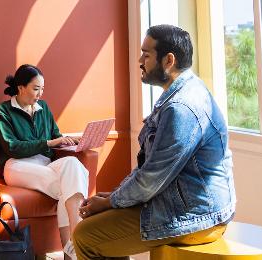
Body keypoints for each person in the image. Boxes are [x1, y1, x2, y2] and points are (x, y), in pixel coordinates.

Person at [73, 24, 236, 259]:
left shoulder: (181, 108)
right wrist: (114, 198)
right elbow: (151, 171)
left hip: (197, 215)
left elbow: (151, 178)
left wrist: (111, 202)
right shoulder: (182, 93)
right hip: (182, 203)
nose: (140, 60)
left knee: (86, 236)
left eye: (146, 54)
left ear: (168, 60)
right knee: (101, 223)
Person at [0, 64, 89, 260]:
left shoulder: (43, 108)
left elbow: (56, 136)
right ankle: (75, 243)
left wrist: (72, 140)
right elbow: (11, 146)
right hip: (16, 165)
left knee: (73, 165)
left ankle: (72, 249)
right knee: (70, 184)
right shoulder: (4, 111)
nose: (40, 94)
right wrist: (47, 142)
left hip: (44, 165)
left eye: (42, 89)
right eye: (35, 89)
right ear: (21, 88)